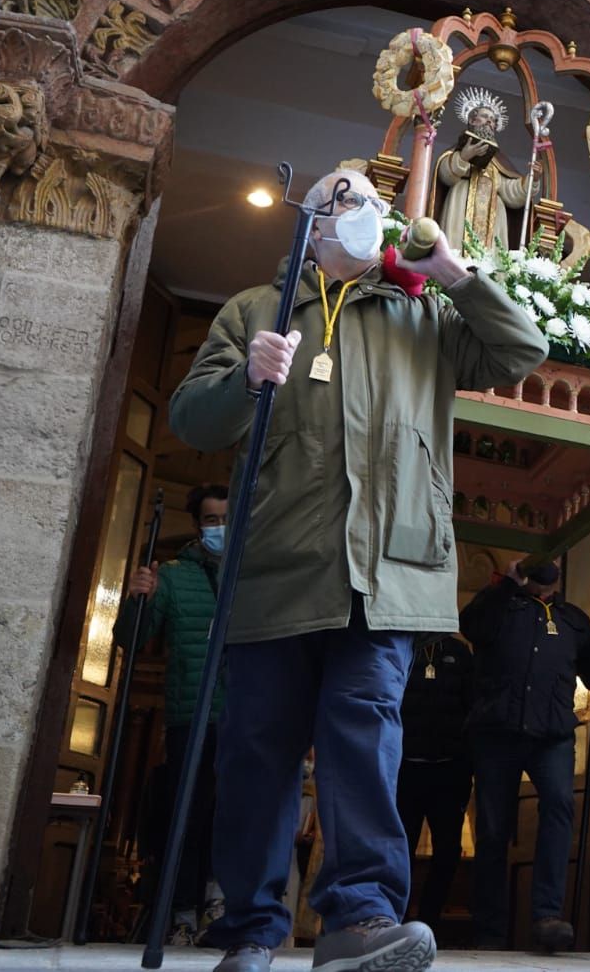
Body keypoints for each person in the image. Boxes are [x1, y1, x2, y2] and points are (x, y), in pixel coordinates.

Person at [167, 168, 548, 972]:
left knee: (365, 740)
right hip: (275, 568)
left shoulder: (424, 313)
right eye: (345, 200)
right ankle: (251, 927)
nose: (366, 212)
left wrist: (451, 271)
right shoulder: (253, 311)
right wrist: (248, 377)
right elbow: (193, 421)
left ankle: (360, 920)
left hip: (389, 569)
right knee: (258, 752)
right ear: (310, 223)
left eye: (372, 201)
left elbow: (522, 350)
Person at [460, 558, 590, 952]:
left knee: (560, 808)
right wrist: (507, 584)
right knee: (493, 829)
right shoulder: (500, 604)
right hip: (497, 733)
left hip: (553, 735)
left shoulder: (572, 618)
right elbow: (472, 626)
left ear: (561, 573)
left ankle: (547, 916)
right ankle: (489, 929)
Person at [116, 483, 230, 945]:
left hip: (244, 714)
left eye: (227, 518)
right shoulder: (174, 575)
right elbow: (132, 638)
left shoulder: (254, 573)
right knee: (189, 812)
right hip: (190, 714)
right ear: (198, 524)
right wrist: (138, 597)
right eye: (211, 520)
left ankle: (220, 902)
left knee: (234, 813)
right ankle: (182, 913)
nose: (219, 528)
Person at [395, 633, 475, 931]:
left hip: (449, 770)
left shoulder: (459, 652)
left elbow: (473, 704)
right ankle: (394, 919)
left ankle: (429, 920)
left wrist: (467, 759)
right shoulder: (402, 647)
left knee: (448, 850)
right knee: (401, 847)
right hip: (407, 769)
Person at [435, 86, 541, 251]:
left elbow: (511, 193)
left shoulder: (498, 162)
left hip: (493, 219)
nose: (490, 121)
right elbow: (445, 175)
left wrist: (532, 179)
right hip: (460, 206)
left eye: (493, 120)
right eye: (485, 117)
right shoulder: (457, 151)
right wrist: (464, 157)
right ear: (471, 120)